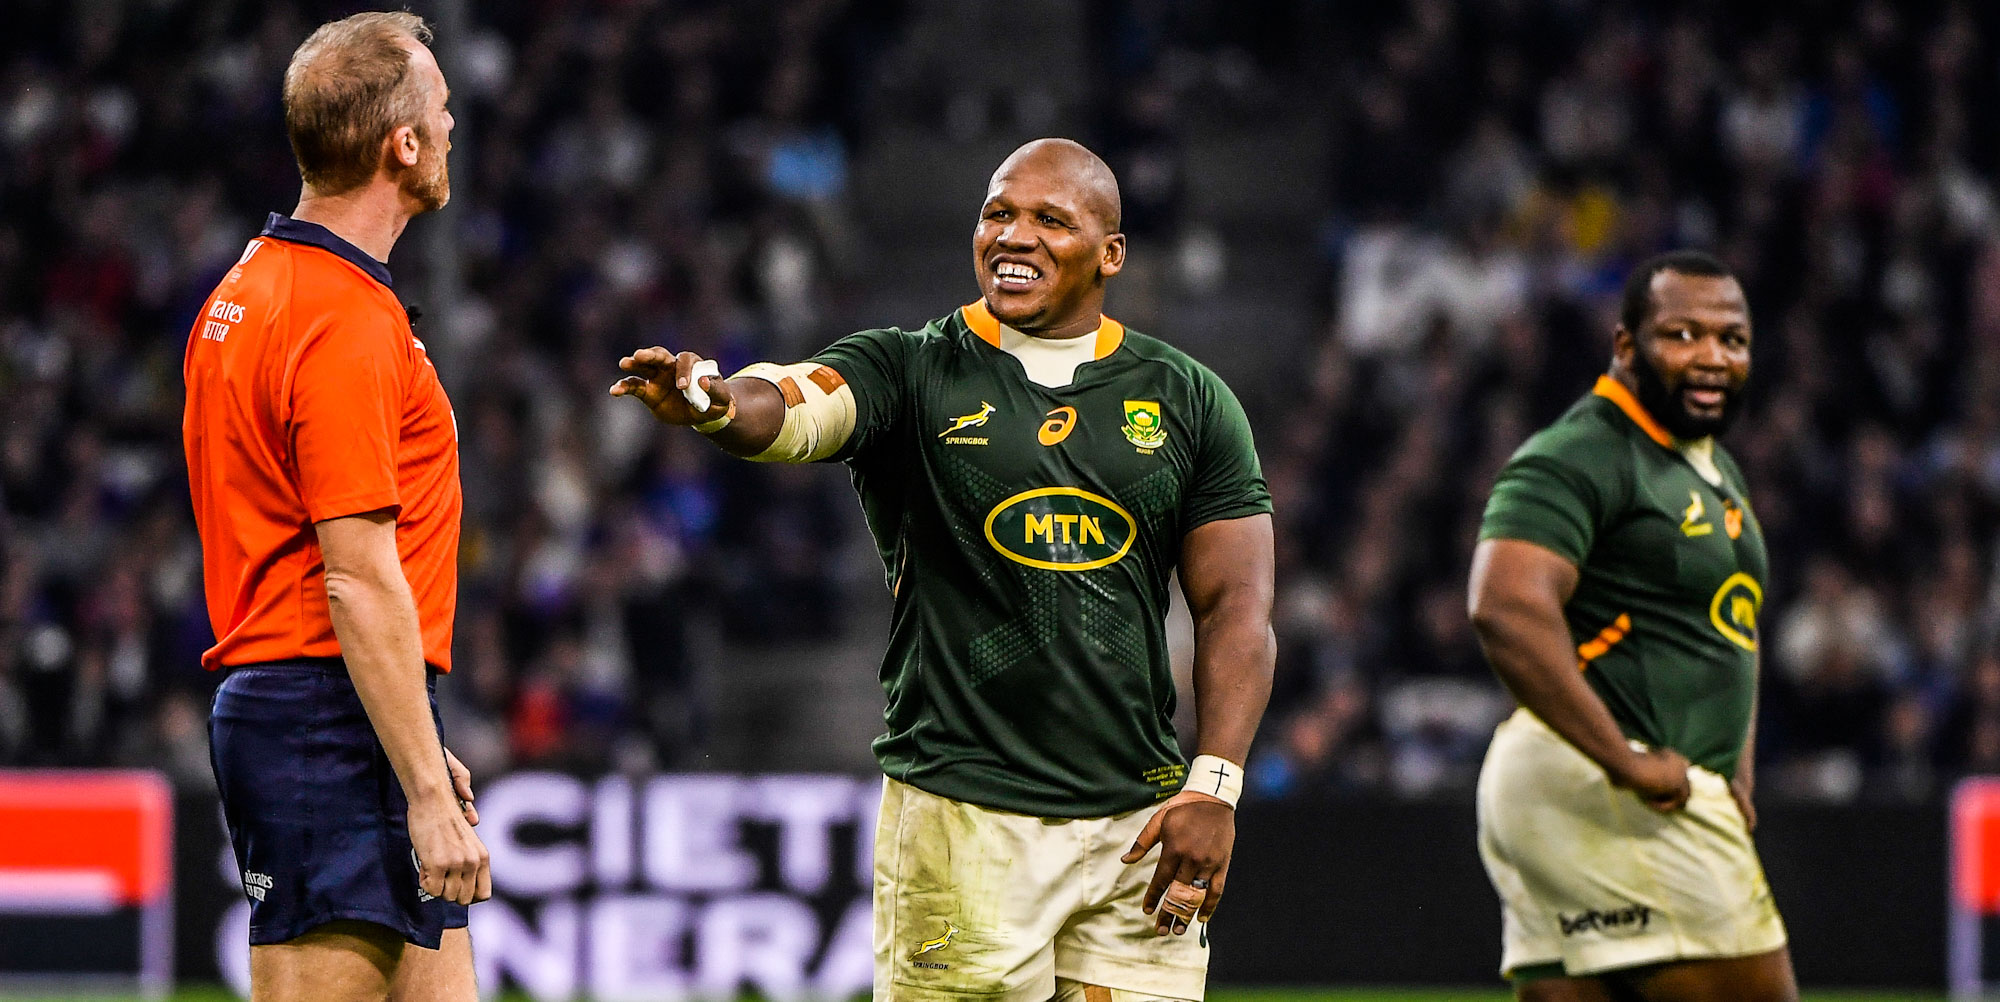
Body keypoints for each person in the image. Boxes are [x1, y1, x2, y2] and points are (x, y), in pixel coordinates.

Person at [613, 138, 1275, 1002]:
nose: (1015, 235)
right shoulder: (910, 367)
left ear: (1111, 253)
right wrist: (713, 403)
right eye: (998, 213)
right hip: (964, 826)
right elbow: (793, 406)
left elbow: (1238, 606)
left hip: (1134, 831)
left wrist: (1214, 786)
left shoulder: (1190, 399)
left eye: (1050, 219)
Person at [181, 12, 488, 1002]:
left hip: (339, 711)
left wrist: (409, 745)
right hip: (315, 720)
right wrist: (424, 796)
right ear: (402, 144)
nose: (451, 126)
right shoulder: (344, 319)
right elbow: (353, 579)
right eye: (441, 109)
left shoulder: (255, 284)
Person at [1466, 251, 1796, 1002]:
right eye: (1682, 335)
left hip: (1609, 785)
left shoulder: (1706, 464)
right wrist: (1624, 761)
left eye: (1733, 339)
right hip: (1620, 787)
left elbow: (1728, 623)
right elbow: (1505, 606)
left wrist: (1737, 763)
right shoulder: (1583, 452)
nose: (1713, 357)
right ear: (1625, 347)